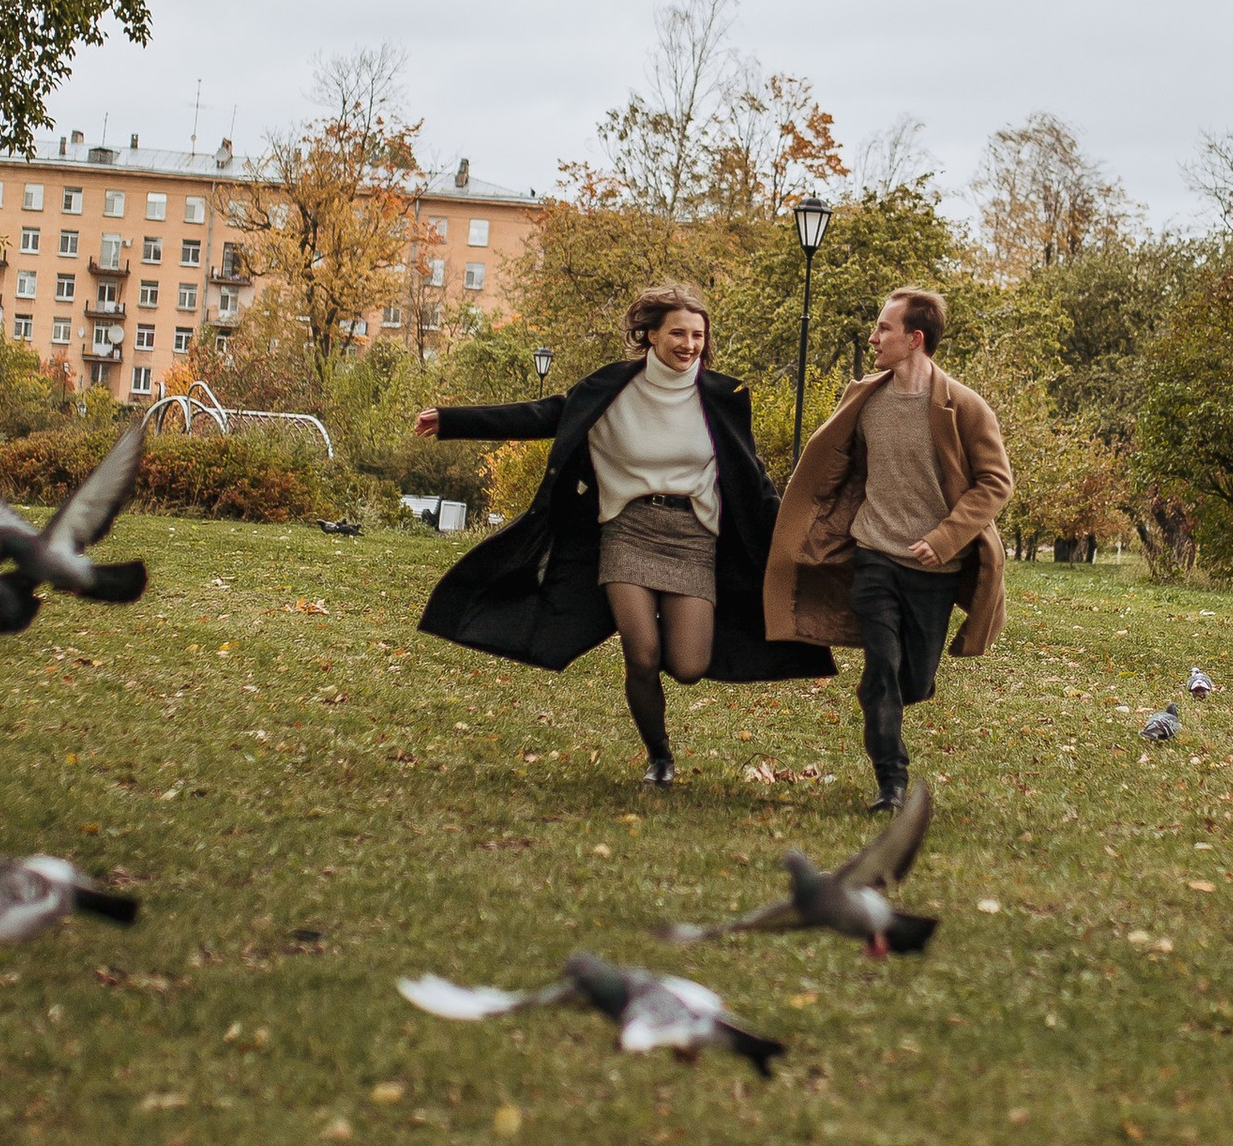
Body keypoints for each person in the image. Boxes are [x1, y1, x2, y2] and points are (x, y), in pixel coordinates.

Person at [411, 285, 831, 786]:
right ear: (651, 334)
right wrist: (454, 420)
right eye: (678, 332)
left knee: (689, 664)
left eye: (698, 334)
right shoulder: (612, 388)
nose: (689, 344)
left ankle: (665, 628)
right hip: (627, 531)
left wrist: (797, 539)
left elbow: (752, 476)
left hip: (692, 537)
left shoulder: (724, 397)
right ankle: (660, 758)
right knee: (642, 653)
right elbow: (545, 414)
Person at [764, 285, 1012, 807]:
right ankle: (891, 783)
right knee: (881, 670)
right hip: (873, 555)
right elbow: (838, 463)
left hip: (935, 571)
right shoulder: (866, 397)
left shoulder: (963, 407)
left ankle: (888, 693)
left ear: (915, 339)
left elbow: (995, 483)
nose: (874, 337)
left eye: (884, 329)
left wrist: (943, 541)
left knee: (913, 680)